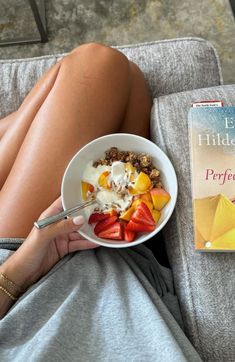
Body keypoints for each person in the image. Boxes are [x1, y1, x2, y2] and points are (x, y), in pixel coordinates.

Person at [0, 43, 201, 361]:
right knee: (119, 75)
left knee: (99, 66)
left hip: (24, 265)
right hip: (118, 273)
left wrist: (15, 271)